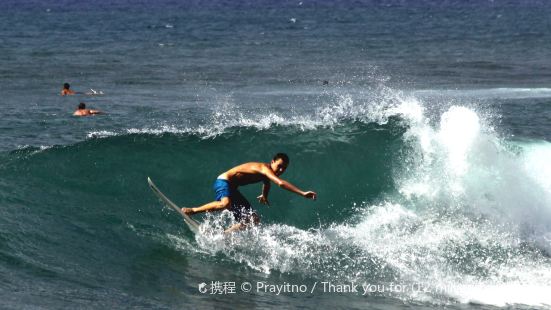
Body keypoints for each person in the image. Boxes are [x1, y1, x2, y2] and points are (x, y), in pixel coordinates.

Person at [183, 153, 317, 233]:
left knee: (254, 219)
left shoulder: (266, 174)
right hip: (224, 181)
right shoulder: (264, 168)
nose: (281, 170)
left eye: (284, 168)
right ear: (272, 162)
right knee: (225, 203)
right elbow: (280, 183)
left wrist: (264, 195)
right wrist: (302, 193)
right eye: (279, 166)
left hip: (233, 188)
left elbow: (266, 183)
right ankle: (192, 210)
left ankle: (224, 234)